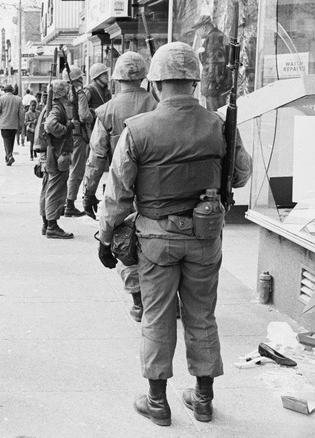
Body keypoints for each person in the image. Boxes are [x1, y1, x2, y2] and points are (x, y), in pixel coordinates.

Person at [97, 42, 252, 427]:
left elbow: (118, 194)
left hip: (155, 240)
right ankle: (202, 400)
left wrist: (105, 237)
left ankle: (157, 402)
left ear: (156, 84)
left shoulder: (139, 129)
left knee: (157, 318)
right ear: (195, 83)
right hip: (205, 239)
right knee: (202, 317)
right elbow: (241, 174)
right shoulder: (218, 124)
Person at [81, 51, 158, 322]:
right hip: (156, 188)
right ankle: (164, 300)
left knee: (123, 244)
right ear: (144, 77)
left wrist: (88, 192)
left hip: (121, 186)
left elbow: (96, 156)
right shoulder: (157, 105)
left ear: (116, 79)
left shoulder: (106, 111)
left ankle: (138, 302)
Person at [38, 80, 75, 239]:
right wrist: (67, 128)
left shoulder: (51, 107)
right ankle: (52, 225)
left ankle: (47, 223)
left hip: (51, 155)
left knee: (48, 189)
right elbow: (51, 126)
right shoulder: (56, 109)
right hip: (57, 155)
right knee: (55, 191)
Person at [61, 66, 94, 218]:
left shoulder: (61, 93)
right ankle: (70, 203)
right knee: (77, 170)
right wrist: (93, 114)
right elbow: (84, 115)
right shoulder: (79, 93)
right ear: (77, 79)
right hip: (78, 135)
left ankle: (63, 202)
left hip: (65, 134)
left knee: (65, 169)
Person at [193, 15, 231, 111]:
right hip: (218, 85)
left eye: (197, 30)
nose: (197, 34)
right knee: (219, 114)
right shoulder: (218, 36)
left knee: (214, 114)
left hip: (214, 87)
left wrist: (212, 85)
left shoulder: (213, 38)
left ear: (204, 28)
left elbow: (213, 65)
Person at [0, 84, 25, 166]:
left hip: (4, 124)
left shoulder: (1, 99)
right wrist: (21, 123)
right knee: (11, 141)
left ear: (5, 91)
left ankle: (9, 156)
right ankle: (8, 157)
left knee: (6, 140)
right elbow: (22, 113)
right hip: (14, 124)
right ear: (12, 90)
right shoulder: (18, 99)